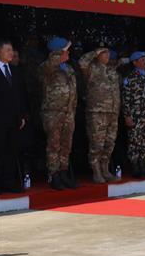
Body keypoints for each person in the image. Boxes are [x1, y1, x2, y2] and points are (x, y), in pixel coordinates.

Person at [40, 37, 79, 189]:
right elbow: (51, 64)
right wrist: (59, 53)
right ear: (57, 52)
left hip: (68, 113)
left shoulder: (68, 68)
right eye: (65, 50)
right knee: (54, 145)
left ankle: (63, 172)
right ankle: (54, 175)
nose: (68, 52)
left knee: (66, 145)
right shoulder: (46, 67)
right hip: (53, 113)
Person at [78, 46, 120, 183]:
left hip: (112, 112)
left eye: (108, 53)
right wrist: (95, 51)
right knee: (97, 143)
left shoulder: (112, 70)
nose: (107, 55)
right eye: (104, 53)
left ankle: (105, 168)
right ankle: (96, 171)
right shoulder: (92, 68)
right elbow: (82, 62)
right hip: (97, 112)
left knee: (109, 142)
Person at [0, 38, 28, 193]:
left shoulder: (14, 70)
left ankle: (8, 182)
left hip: (13, 120)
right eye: (7, 50)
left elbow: (20, 95)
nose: (11, 53)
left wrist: (22, 115)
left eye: (12, 50)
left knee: (11, 151)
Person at [122, 50, 145, 179]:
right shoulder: (130, 78)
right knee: (135, 142)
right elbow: (126, 98)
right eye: (142, 60)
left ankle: (143, 165)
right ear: (134, 62)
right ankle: (135, 167)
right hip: (136, 116)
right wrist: (127, 116)